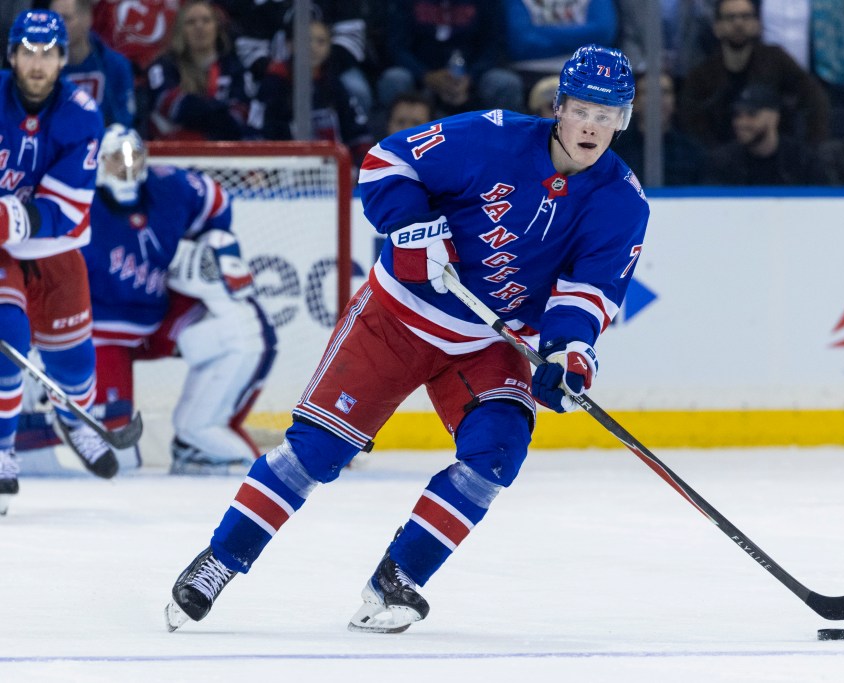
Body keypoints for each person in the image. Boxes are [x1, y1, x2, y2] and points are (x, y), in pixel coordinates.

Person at [164, 43, 649, 633]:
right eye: (584, 110)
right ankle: (219, 560)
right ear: (559, 107)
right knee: (316, 452)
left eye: (609, 115)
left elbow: (587, 294)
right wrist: (415, 228)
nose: (593, 127)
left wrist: (566, 356)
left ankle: (399, 577)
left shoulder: (623, 202)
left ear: (623, 121)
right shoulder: (491, 137)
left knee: (496, 453)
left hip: (488, 343)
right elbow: (387, 162)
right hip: (398, 316)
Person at [81, 125, 277, 475]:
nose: (127, 169)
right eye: (115, 161)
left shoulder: (170, 186)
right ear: (97, 163)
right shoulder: (78, 200)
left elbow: (216, 201)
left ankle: (198, 440)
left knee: (243, 330)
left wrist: (214, 240)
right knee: (118, 458)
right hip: (101, 333)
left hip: (160, 318)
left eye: (134, 158)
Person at [0, 10, 115, 515]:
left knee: (72, 362)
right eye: (29, 51)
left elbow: (66, 209)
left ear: (62, 59)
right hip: (3, 255)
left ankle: (76, 417)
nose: (38, 63)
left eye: (48, 53)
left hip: (55, 249)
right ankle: (2, 453)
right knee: (8, 340)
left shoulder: (82, 113)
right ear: (12, 55)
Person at [681, 0, 829, 147]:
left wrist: (812, 147)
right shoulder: (701, 75)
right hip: (721, 161)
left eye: (746, 16)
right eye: (730, 17)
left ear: (757, 25)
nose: (738, 23)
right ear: (717, 28)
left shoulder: (775, 59)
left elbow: (814, 96)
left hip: (774, 158)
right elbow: (691, 119)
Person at [247, 17, 373, 165]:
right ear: (290, 45)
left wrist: (361, 166)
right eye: (306, 40)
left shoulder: (334, 84)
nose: (313, 47)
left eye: (321, 41)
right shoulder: (274, 83)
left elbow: (357, 133)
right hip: (284, 172)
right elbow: (256, 132)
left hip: (331, 172)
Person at [377, 0, 523, 116]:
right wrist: (425, 75)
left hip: (472, 78)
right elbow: (397, 47)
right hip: (421, 78)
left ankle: (501, 147)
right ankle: (391, 149)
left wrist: (470, 78)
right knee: (394, 79)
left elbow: (494, 45)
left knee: (506, 83)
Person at [146, 0, 251, 141]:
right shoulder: (164, 65)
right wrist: (220, 110)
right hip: (172, 154)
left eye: (206, 20)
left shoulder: (233, 66)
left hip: (222, 153)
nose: (199, 27)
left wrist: (193, 110)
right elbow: (169, 104)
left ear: (217, 27)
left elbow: (240, 116)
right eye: (191, 22)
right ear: (180, 29)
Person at [704, 83, 827, 185]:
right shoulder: (722, 162)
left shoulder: (803, 161)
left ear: (774, 118)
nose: (741, 123)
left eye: (751, 114)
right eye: (737, 115)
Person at [49, 0, 135, 127]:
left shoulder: (116, 66)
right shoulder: (39, 67)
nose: (56, 27)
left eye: (66, 18)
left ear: (87, 18)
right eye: (53, 19)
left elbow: (124, 123)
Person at [614, 72, 706, 186]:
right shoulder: (616, 152)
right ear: (634, 102)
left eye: (664, 92)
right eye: (648, 92)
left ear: (674, 101)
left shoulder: (692, 153)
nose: (656, 99)